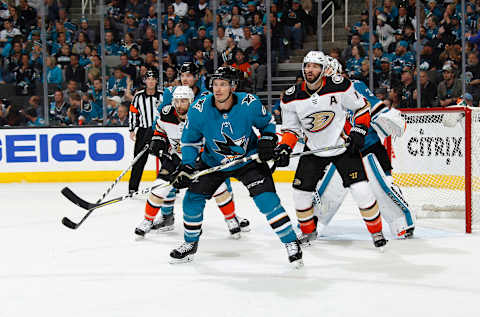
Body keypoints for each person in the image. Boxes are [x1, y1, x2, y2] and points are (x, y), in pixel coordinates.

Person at [169, 66, 303, 267]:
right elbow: (189, 141)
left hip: (247, 160)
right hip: (213, 162)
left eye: (223, 84)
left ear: (233, 86)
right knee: (191, 200)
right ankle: (190, 243)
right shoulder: (198, 109)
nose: (218, 89)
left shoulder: (249, 103)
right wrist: (187, 166)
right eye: (215, 84)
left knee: (267, 200)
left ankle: (291, 242)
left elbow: (268, 124)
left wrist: (267, 140)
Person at [276, 51, 388, 250]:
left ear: (323, 70)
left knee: (362, 190)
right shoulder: (291, 96)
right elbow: (291, 130)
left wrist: (359, 131)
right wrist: (285, 147)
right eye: (307, 65)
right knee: (300, 193)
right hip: (314, 149)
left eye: (315, 66)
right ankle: (308, 231)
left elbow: (362, 108)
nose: (310, 70)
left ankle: (376, 232)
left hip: (342, 146)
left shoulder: (339, 85)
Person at [313, 57, 415, 239]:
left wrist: (390, 118)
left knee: (380, 188)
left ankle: (402, 222)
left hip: (368, 149)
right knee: (328, 189)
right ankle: (311, 224)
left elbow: (374, 108)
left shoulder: (354, 86)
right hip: (342, 153)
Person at [135, 86, 249, 238]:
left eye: (183, 101)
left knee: (219, 188)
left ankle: (231, 219)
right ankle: (148, 220)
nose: (179, 105)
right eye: (177, 101)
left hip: (199, 159)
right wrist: (158, 140)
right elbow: (159, 130)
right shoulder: (166, 114)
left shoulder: (201, 116)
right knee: (158, 189)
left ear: (191, 101)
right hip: (174, 158)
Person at [159, 62, 251, 234]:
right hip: (177, 145)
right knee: (170, 179)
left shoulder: (208, 95)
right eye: (183, 75)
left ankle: (231, 216)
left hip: (203, 146)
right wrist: (159, 139)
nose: (186, 79)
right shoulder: (171, 92)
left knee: (222, 181)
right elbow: (163, 117)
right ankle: (166, 216)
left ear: (196, 77)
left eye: (189, 75)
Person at [128, 69, 163, 193]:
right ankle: (133, 188)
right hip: (143, 131)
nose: (151, 81)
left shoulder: (162, 95)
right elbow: (133, 112)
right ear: (145, 81)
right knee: (139, 160)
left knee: (166, 158)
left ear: (156, 81)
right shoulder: (138, 96)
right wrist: (132, 129)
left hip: (160, 132)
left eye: (153, 79)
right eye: (149, 79)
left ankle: (170, 185)